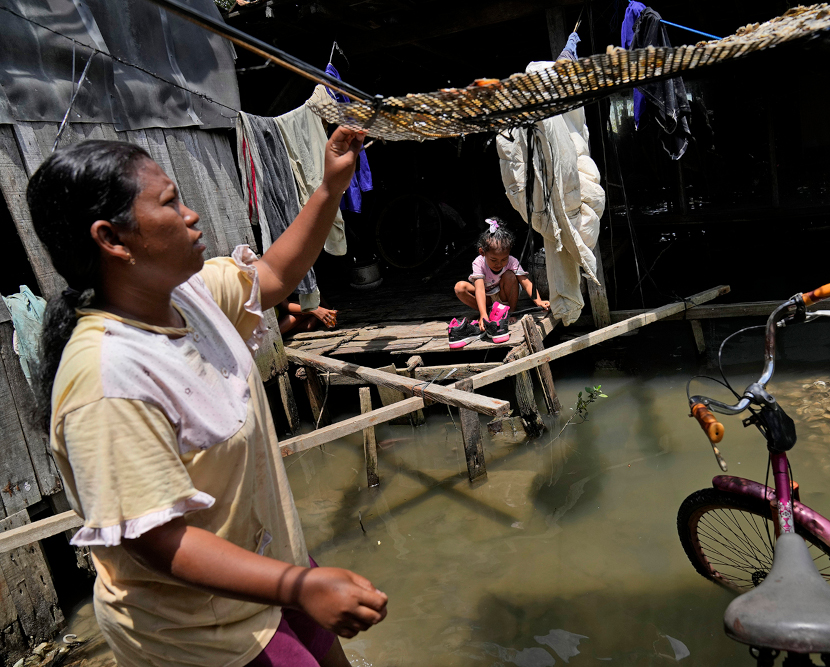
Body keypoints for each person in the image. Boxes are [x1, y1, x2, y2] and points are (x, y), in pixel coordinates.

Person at [26, 129, 385, 667]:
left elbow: (274, 274)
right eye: (171, 202)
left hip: (269, 564)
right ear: (113, 239)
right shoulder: (107, 377)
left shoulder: (185, 296)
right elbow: (157, 539)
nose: (193, 215)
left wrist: (330, 187)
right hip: (203, 627)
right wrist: (296, 586)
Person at [453, 217, 549, 331]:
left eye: (504, 259)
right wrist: (483, 314)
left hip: (504, 296)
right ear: (482, 252)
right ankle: (488, 313)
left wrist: (538, 301)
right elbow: (479, 289)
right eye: (494, 260)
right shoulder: (478, 263)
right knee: (460, 287)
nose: (499, 264)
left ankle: (511, 311)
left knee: (510, 275)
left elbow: (526, 283)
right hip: (487, 297)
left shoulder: (512, 262)